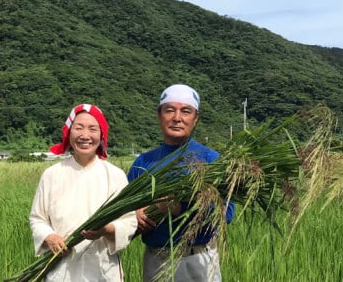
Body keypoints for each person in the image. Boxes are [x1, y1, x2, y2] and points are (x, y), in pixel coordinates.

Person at [127, 84, 235, 282]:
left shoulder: (212, 160)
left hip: (200, 259)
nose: (177, 118)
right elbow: (123, 209)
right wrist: (135, 215)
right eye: (169, 110)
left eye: (185, 111)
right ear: (159, 115)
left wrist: (178, 208)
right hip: (157, 260)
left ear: (195, 119)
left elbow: (226, 214)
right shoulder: (143, 163)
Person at [29, 103, 138, 281]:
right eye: (78, 128)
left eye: (93, 129)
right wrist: (49, 236)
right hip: (61, 270)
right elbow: (37, 218)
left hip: (103, 271)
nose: (85, 135)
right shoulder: (52, 175)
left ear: (102, 134)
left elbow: (129, 221)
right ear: (68, 133)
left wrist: (107, 229)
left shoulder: (115, 175)